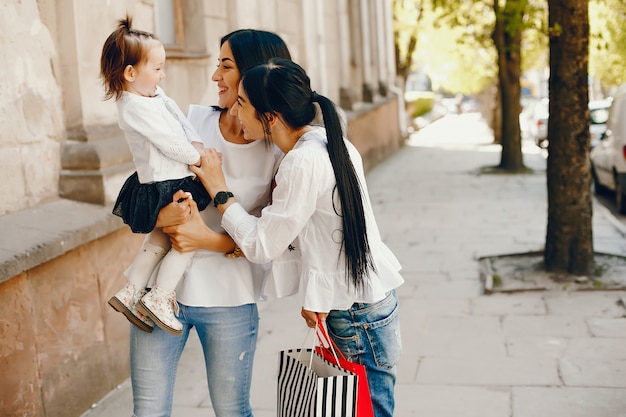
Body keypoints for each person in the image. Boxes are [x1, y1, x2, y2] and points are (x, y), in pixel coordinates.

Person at [191, 59, 404, 417]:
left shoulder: (302, 161)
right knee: (369, 408)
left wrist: (220, 191)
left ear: (270, 118)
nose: (234, 111)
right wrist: (319, 293)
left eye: (242, 104)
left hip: (356, 315)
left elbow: (262, 245)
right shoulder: (328, 142)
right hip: (364, 305)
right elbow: (331, 233)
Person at [129, 30, 293, 417]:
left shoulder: (278, 149)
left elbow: (275, 239)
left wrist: (203, 238)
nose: (215, 76)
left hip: (230, 298)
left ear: (255, 74)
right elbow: (147, 188)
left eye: (226, 66)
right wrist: (161, 216)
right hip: (158, 293)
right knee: (147, 412)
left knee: (232, 411)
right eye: (217, 65)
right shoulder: (191, 121)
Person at [100, 16, 212, 336]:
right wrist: (197, 158)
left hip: (169, 179)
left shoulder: (153, 96)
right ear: (131, 73)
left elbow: (178, 119)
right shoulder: (133, 105)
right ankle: (160, 297)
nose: (163, 75)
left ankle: (133, 289)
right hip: (165, 183)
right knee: (186, 241)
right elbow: (168, 141)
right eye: (158, 68)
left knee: (161, 239)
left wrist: (196, 142)